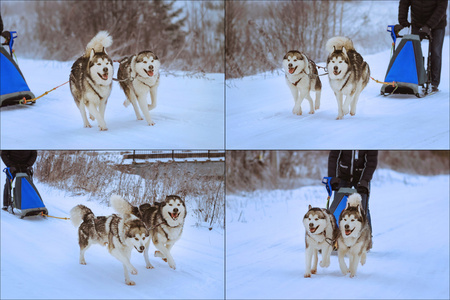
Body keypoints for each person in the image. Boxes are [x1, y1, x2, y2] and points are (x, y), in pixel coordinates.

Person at [397, 0, 448, 93]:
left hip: (437, 24)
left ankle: (434, 83)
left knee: (435, 52)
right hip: (417, 22)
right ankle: (413, 78)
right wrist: (402, 20)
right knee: (413, 50)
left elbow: (441, 8)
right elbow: (404, 3)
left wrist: (428, 26)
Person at [327, 150, 378, 229]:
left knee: (363, 208)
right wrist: (332, 177)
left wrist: (365, 180)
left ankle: (367, 237)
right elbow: (333, 157)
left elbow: (371, 161)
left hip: (362, 178)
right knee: (338, 206)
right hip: (343, 176)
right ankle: (335, 235)